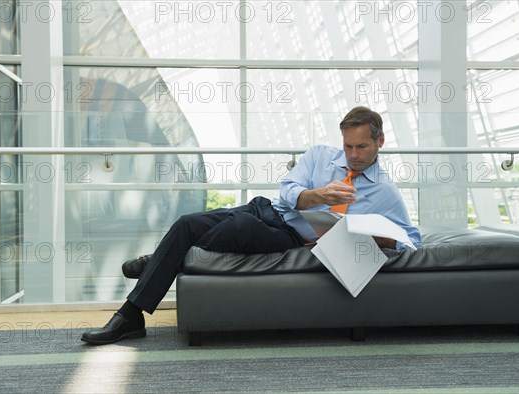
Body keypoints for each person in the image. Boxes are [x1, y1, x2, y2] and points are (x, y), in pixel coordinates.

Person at [81, 106, 422, 345]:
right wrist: (316, 195)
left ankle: (152, 269)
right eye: (348, 145)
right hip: (266, 209)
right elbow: (287, 191)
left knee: (239, 225)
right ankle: (132, 318)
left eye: (362, 146)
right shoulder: (320, 155)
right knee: (187, 223)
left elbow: (410, 241)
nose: (353, 155)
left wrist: (371, 237)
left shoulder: (385, 193)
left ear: (380, 142)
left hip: (288, 236)